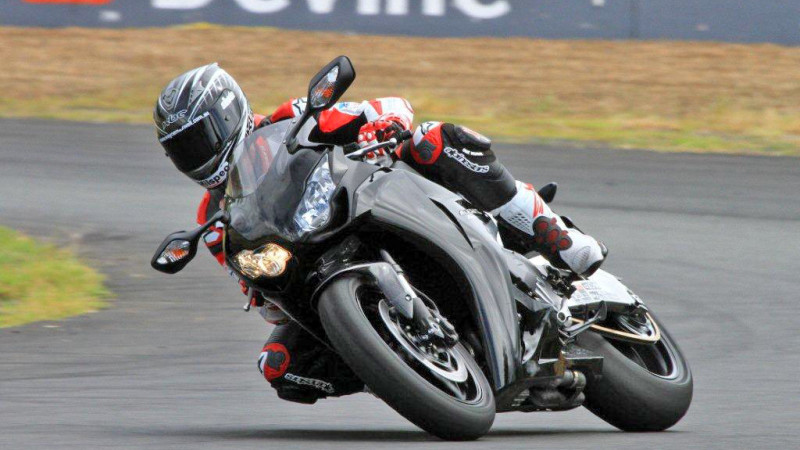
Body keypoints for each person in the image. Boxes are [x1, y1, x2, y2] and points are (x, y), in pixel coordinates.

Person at [154, 63, 606, 404]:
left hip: (389, 200)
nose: (195, 155)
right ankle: (406, 369)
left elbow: (391, 108)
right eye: (182, 150)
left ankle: (556, 238)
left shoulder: (292, 120)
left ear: (228, 113)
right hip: (321, 262)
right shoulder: (216, 224)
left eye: (199, 138)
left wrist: (382, 126)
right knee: (280, 367)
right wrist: (264, 290)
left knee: (433, 139)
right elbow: (263, 297)